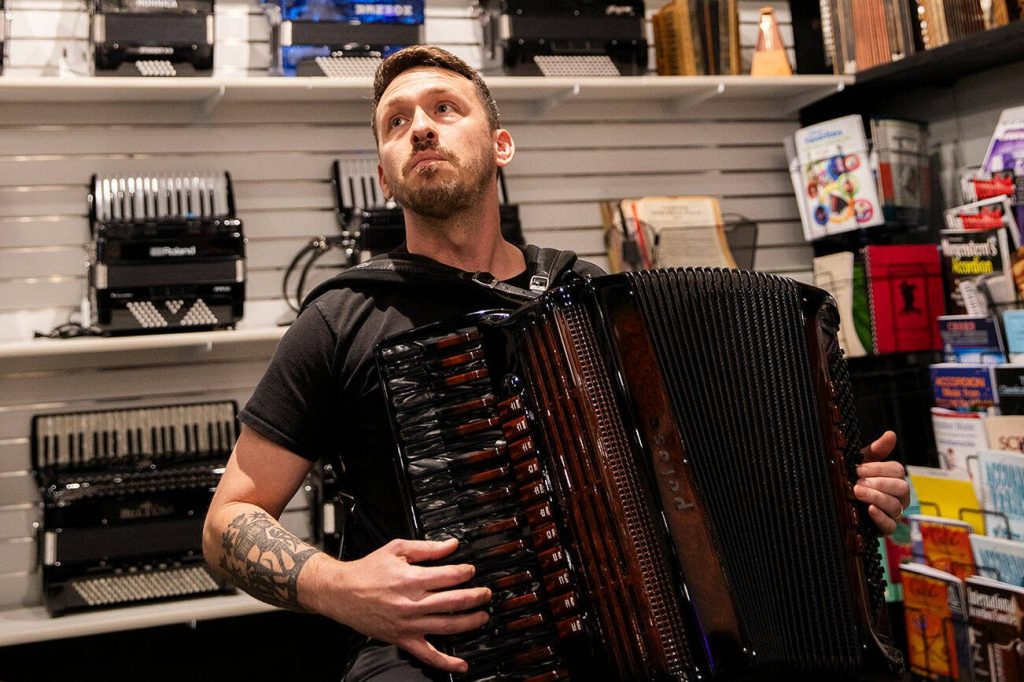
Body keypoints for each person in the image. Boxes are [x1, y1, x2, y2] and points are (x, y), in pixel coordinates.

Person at [202, 45, 912, 681]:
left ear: (501, 145)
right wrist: (343, 587)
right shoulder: (341, 318)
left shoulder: (589, 303)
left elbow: (688, 476)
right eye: (395, 123)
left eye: (444, 109)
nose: (419, 127)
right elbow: (228, 520)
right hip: (431, 655)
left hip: (627, 640)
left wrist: (837, 490)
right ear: (385, 177)